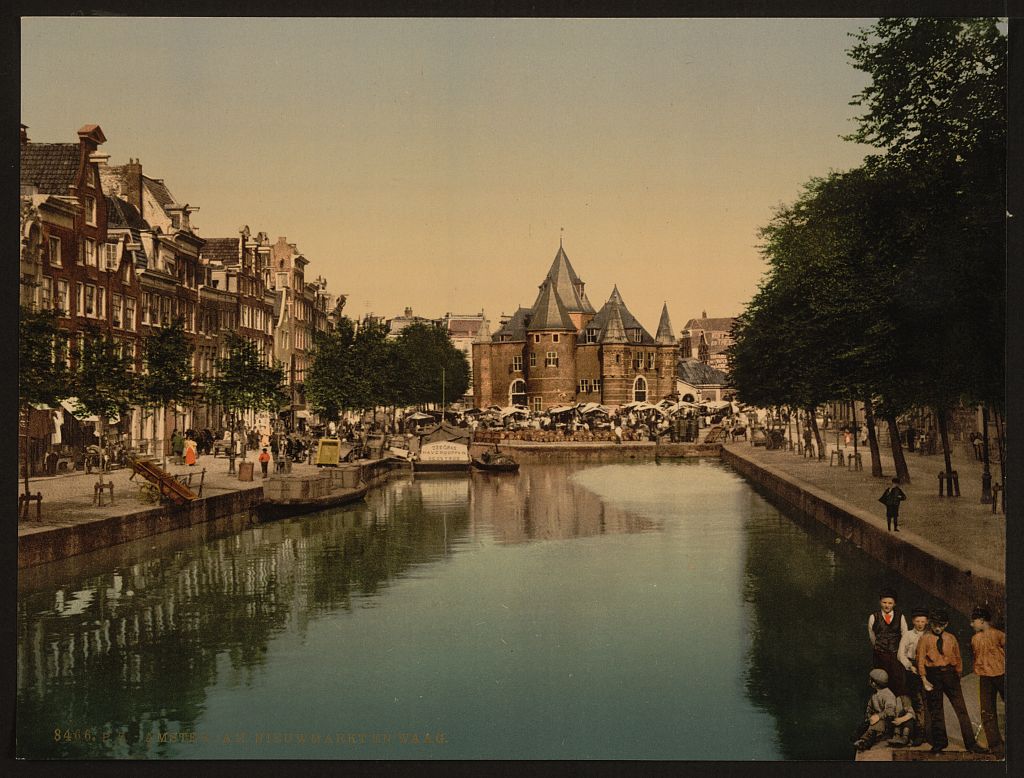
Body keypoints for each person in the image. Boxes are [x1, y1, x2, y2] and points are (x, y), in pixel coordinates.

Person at [916, 608, 986, 754]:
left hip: (950, 675)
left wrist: (957, 675)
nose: (937, 628)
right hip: (933, 676)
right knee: (936, 711)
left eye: (941, 625)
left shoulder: (951, 638)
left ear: (946, 624)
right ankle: (940, 743)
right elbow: (920, 660)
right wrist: (924, 679)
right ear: (930, 623)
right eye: (935, 624)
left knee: (961, 709)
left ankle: (971, 744)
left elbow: (958, 657)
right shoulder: (925, 639)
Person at [970, 606, 1005, 755]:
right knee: (987, 712)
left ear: (982, 621)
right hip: (985, 678)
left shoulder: (999, 635)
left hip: (1002, 676)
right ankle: (996, 747)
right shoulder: (975, 638)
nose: (971, 624)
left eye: (974, 621)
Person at [896, 606, 931, 745]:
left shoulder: (929, 635)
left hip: (928, 669)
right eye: (917, 621)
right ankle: (918, 734)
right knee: (917, 702)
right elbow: (900, 654)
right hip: (912, 669)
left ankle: (929, 734)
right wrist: (910, 666)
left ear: (927, 621)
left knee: (928, 701)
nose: (920, 624)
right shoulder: (908, 635)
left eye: (923, 621)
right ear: (913, 621)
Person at [868, 588, 908, 697]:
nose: (887, 605)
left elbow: (905, 634)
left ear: (894, 604)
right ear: (880, 602)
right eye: (884, 602)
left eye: (890, 603)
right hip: (880, 655)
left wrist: (900, 651)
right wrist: (879, 647)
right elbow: (872, 636)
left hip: (895, 655)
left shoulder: (900, 617)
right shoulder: (873, 617)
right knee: (880, 681)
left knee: (897, 680)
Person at [853, 669, 898, 751]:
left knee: (876, 725)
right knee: (859, 731)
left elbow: (890, 712)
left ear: (874, 683)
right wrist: (868, 717)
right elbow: (869, 708)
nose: (869, 681)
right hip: (874, 723)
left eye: (870, 679)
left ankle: (864, 741)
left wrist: (878, 716)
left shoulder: (888, 695)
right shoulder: (874, 695)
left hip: (887, 723)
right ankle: (861, 740)